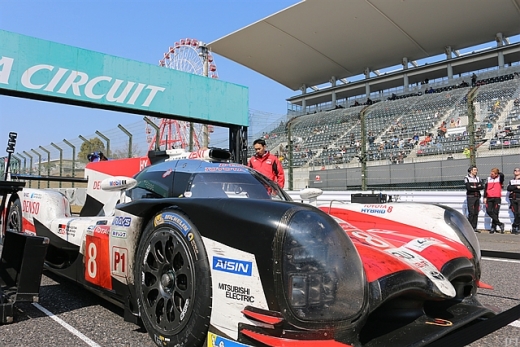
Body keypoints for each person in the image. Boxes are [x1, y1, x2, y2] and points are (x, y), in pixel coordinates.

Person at [483, 168, 505, 233]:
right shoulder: (488, 179)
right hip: (489, 197)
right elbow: (485, 188)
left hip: (497, 197)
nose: (491, 175)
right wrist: (484, 197)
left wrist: (497, 173)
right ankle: (500, 224)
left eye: (492, 174)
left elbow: (502, 175)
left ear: (496, 174)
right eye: (491, 173)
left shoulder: (499, 178)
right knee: (489, 211)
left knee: (495, 212)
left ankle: (493, 227)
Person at [464, 166, 484, 232]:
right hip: (470, 197)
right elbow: (469, 188)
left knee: (476, 212)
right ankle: (469, 228)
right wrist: (477, 187)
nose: (476, 171)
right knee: (471, 213)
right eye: (475, 170)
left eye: (476, 170)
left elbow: (482, 187)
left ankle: (474, 227)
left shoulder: (478, 178)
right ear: (471, 171)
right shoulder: (466, 178)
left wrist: (474, 187)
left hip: (477, 197)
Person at [507, 167, 520, 235]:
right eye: (515, 170)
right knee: (515, 213)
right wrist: (516, 187)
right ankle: (516, 226)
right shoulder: (512, 180)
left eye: (518, 170)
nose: (516, 172)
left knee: (519, 213)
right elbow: (509, 188)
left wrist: (514, 189)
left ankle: (515, 225)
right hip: (513, 199)